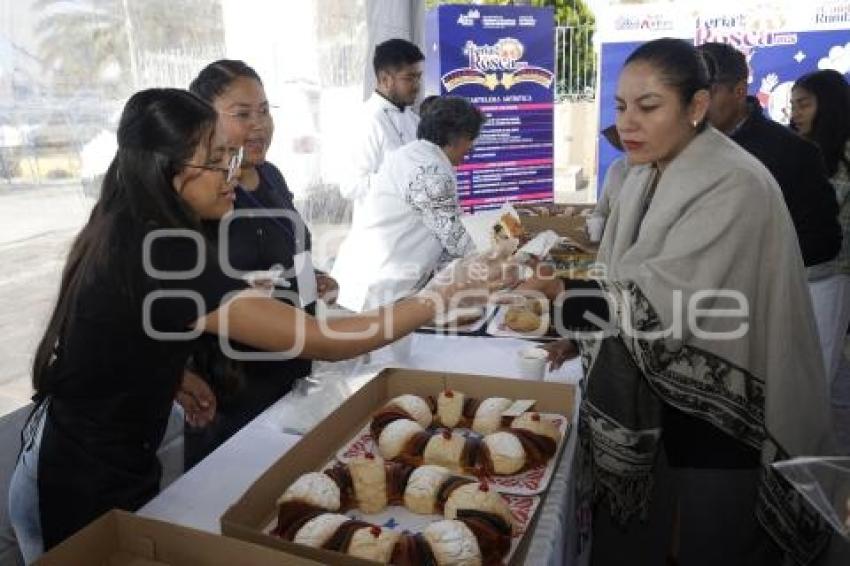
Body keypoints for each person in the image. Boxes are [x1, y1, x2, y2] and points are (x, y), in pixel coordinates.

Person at [7, 88, 516, 561]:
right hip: (74, 476)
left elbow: (114, 329)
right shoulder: (159, 246)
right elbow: (322, 340)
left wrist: (170, 374)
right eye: (215, 160)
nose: (232, 171)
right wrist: (439, 295)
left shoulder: (139, 223)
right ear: (164, 170)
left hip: (114, 456)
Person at [520, 38, 832, 565]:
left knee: (711, 540)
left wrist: (561, 296)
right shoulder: (647, 172)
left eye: (648, 107)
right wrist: (578, 334)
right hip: (664, 396)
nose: (629, 124)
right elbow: (627, 274)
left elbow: (661, 303)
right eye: (621, 107)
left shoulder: (733, 183)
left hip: (719, 403)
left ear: (696, 107)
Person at [177, 60, 338, 468]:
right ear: (203, 119)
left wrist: (310, 281)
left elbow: (292, 247)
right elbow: (163, 290)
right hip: (229, 391)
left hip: (291, 374)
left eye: (265, 111)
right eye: (243, 114)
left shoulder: (271, 177)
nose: (260, 125)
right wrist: (173, 373)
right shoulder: (198, 194)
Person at [695, 42, 840, 269]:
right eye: (690, 94)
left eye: (709, 93)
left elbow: (822, 241)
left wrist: (748, 261)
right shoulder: (677, 150)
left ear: (739, 91)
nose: (697, 104)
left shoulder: (794, 152)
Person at [332, 96, 483, 312]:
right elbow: (455, 240)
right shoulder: (430, 171)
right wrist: (505, 257)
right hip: (374, 293)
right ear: (459, 137)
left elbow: (442, 224)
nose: (471, 148)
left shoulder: (413, 155)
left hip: (374, 287)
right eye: (472, 140)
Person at [791, 69, 850, 386]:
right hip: (790, 274)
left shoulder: (844, 156)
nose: (795, 114)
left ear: (828, 106)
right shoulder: (793, 152)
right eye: (793, 105)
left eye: (804, 104)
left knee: (818, 374)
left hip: (833, 274)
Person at [340, 38, 424, 205]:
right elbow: (350, 186)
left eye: (418, 77)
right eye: (409, 78)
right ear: (385, 80)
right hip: (382, 228)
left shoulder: (413, 119)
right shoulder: (366, 120)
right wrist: (394, 178)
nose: (417, 85)